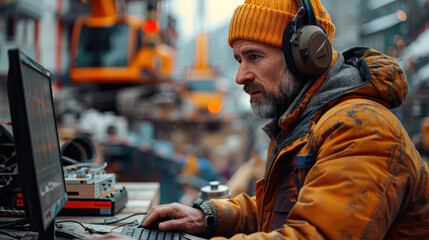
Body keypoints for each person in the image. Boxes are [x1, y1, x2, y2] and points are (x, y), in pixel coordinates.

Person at [97, 0, 429, 239]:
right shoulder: (304, 122)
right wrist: (207, 216)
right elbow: (281, 213)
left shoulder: (361, 128)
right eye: (239, 59)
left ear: (306, 57)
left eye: (254, 56)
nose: (240, 76)